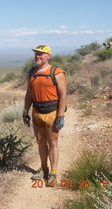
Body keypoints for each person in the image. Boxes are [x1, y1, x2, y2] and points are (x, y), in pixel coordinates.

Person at [23, 45, 67, 187]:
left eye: (41, 54)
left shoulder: (57, 72)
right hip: (37, 112)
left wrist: (60, 116)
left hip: (52, 112)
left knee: (52, 142)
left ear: (48, 56)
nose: (38, 56)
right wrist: (25, 111)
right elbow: (29, 93)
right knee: (41, 141)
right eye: (36, 54)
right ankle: (44, 169)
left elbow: (63, 95)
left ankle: (53, 172)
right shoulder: (32, 73)